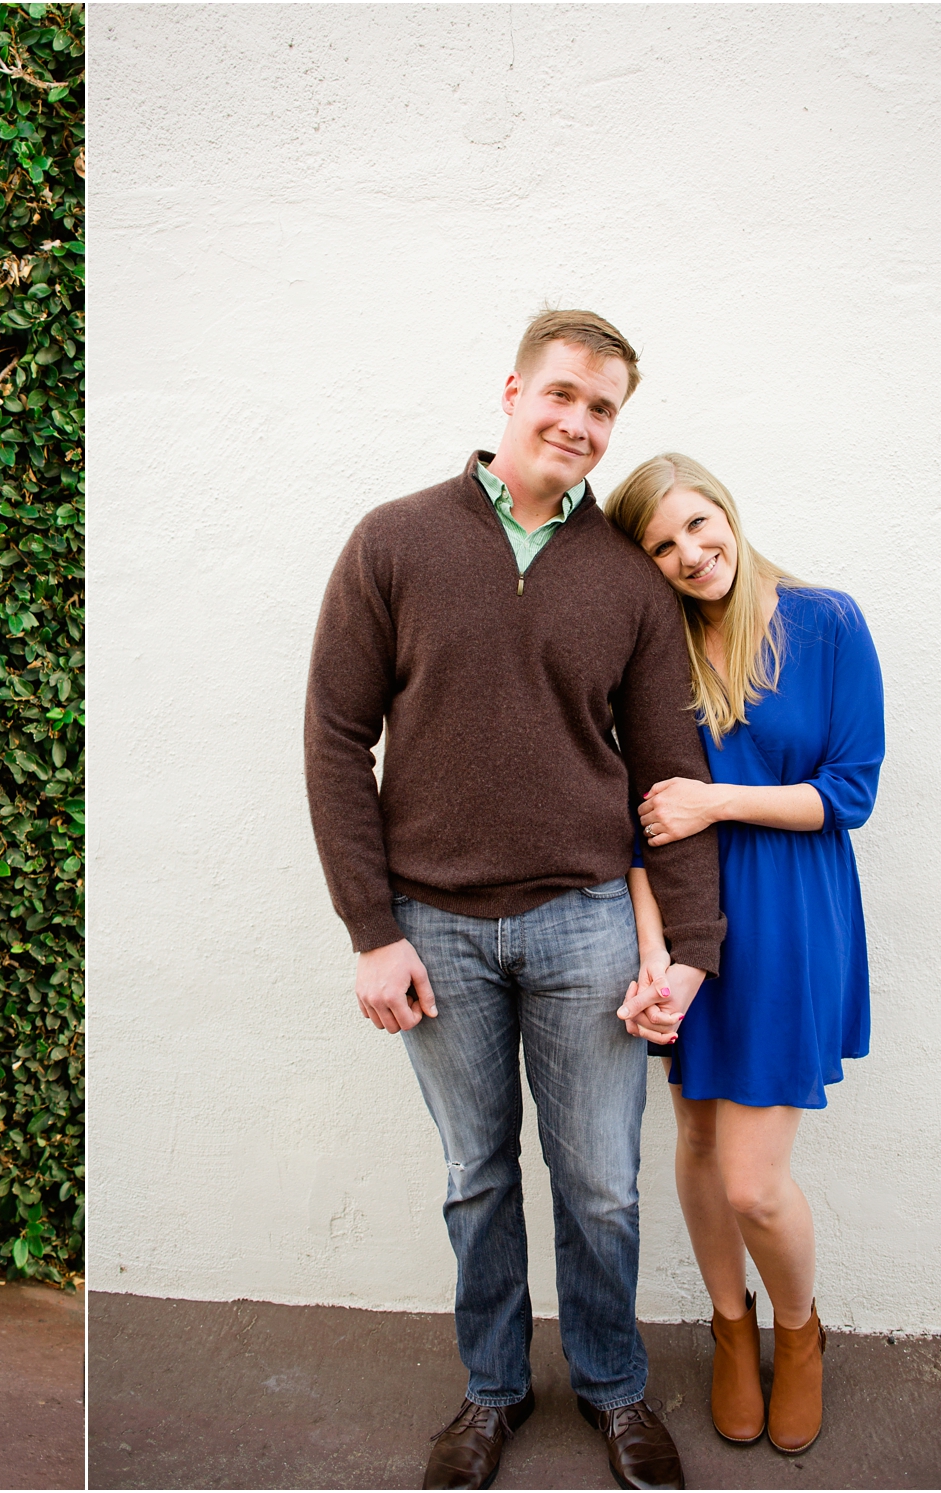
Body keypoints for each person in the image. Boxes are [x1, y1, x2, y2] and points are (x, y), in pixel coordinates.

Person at [303, 310, 723, 1491]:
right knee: (475, 1174)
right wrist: (370, 930)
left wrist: (687, 949)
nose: (578, 424)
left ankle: (611, 1385)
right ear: (511, 390)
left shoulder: (625, 582)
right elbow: (336, 739)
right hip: (432, 925)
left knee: (598, 1178)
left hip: (586, 919)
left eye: (602, 409)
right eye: (562, 396)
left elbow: (665, 778)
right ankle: (491, 1389)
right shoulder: (393, 541)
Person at [603, 454, 884, 1456]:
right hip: (686, 925)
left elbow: (848, 790)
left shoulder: (825, 621)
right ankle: (730, 1325)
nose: (689, 553)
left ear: (725, 509)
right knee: (693, 1139)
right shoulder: (653, 652)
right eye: (662, 544)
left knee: (750, 1181)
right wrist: (650, 953)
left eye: (697, 524)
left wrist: (715, 798)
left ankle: (798, 1330)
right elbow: (635, 826)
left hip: (793, 917)